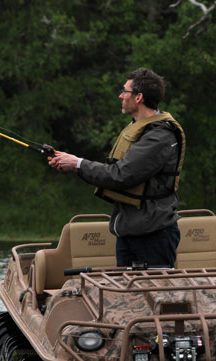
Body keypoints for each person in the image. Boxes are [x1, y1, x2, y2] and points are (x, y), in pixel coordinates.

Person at [49, 67, 185, 268]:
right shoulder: (141, 128)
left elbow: (121, 175)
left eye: (125, 91)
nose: (121, 96)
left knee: (155, 298)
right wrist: (72, 162)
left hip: (153, 235)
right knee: (126, 298)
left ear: (138, 97)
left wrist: (77, 163)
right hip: (131, 232)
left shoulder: (159, 136)